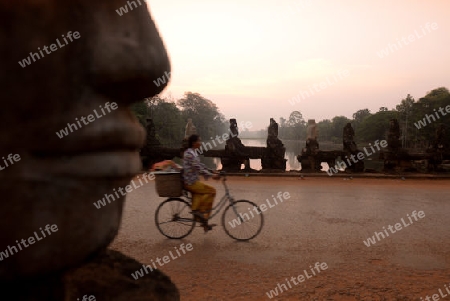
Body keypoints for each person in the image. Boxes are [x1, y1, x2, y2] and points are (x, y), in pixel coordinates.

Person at [183, 134, 220, 232]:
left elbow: (201, 165)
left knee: (203, 195)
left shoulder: (193, 152)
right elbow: (197, 168)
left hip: (193, 181)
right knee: (212, 191)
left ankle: (203, 221)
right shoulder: (189, 154)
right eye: (199, 141)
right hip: (191, 183)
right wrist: (212, 176)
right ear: (194, 143)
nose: (201, 143)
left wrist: (212, 171)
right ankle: (200, 213)